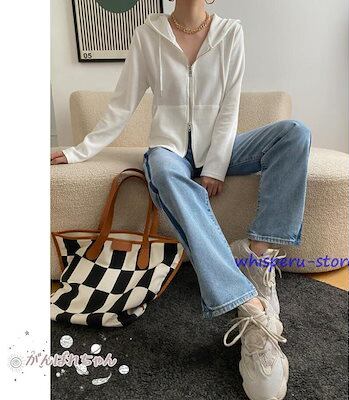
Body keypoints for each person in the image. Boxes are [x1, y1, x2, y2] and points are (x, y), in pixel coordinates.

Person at [51, 1, 311, 399]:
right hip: (169, 149)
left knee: (294, 133)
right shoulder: (149, 34)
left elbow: (230, 106)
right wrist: (77, 151)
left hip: (219, 147)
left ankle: (256, 259)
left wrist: (216, 166)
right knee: (162, 166)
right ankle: (248, 305)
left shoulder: (231, 33)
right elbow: (122, 104)